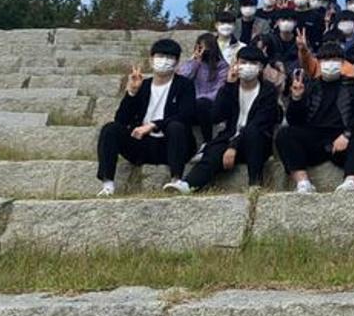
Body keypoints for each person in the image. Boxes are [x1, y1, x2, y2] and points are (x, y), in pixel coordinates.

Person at [165, 47, 281, 194]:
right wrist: (229, 85)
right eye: (243, 62)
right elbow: (216, 116)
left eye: (253, 63)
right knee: (213, 152)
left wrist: (233, 147)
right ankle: (189, 184)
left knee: (253, 133)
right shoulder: (230, 88)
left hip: (256, 142)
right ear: (236, 64)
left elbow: (260, 123)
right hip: (229, 137)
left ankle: (255, 184)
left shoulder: (268, 91)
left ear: (261, 68)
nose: (247, 66)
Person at [96, 39, 195, 196]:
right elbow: (121, 120)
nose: (164, 61)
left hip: (170, 145)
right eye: (160, 56)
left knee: (176, 126)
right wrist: (132, 93)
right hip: (142, 145)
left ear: (177, 62)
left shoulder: (184, 85)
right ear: (151, 59)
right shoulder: (143, 85)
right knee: (110, 129)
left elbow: (186, 115)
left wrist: (154, 125)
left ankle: (176, 180)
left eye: (170, 57)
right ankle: (107, 184)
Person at [274, 42, 354, 193]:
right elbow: (295, 121)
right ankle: (303, 182)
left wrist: (347, 135)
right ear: (319, 63)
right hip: (314, 137)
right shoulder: (310, 85)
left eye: (335, 60)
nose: (330, 64)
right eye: (326, 60)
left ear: (342, 63)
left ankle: (351, 182)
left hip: (341, 137)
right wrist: (296, 99)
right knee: (285, 134)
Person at [177, 33, 229, 144]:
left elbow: (220, 89)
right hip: (193, 105)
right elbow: (182, 79)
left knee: (202, 103)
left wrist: (199, 98)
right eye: (200, 47)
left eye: (206, 48)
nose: (204, 51)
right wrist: (196, 62)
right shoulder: (192, 63)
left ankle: (207, 141)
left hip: (211, 106)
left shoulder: (222, 66)